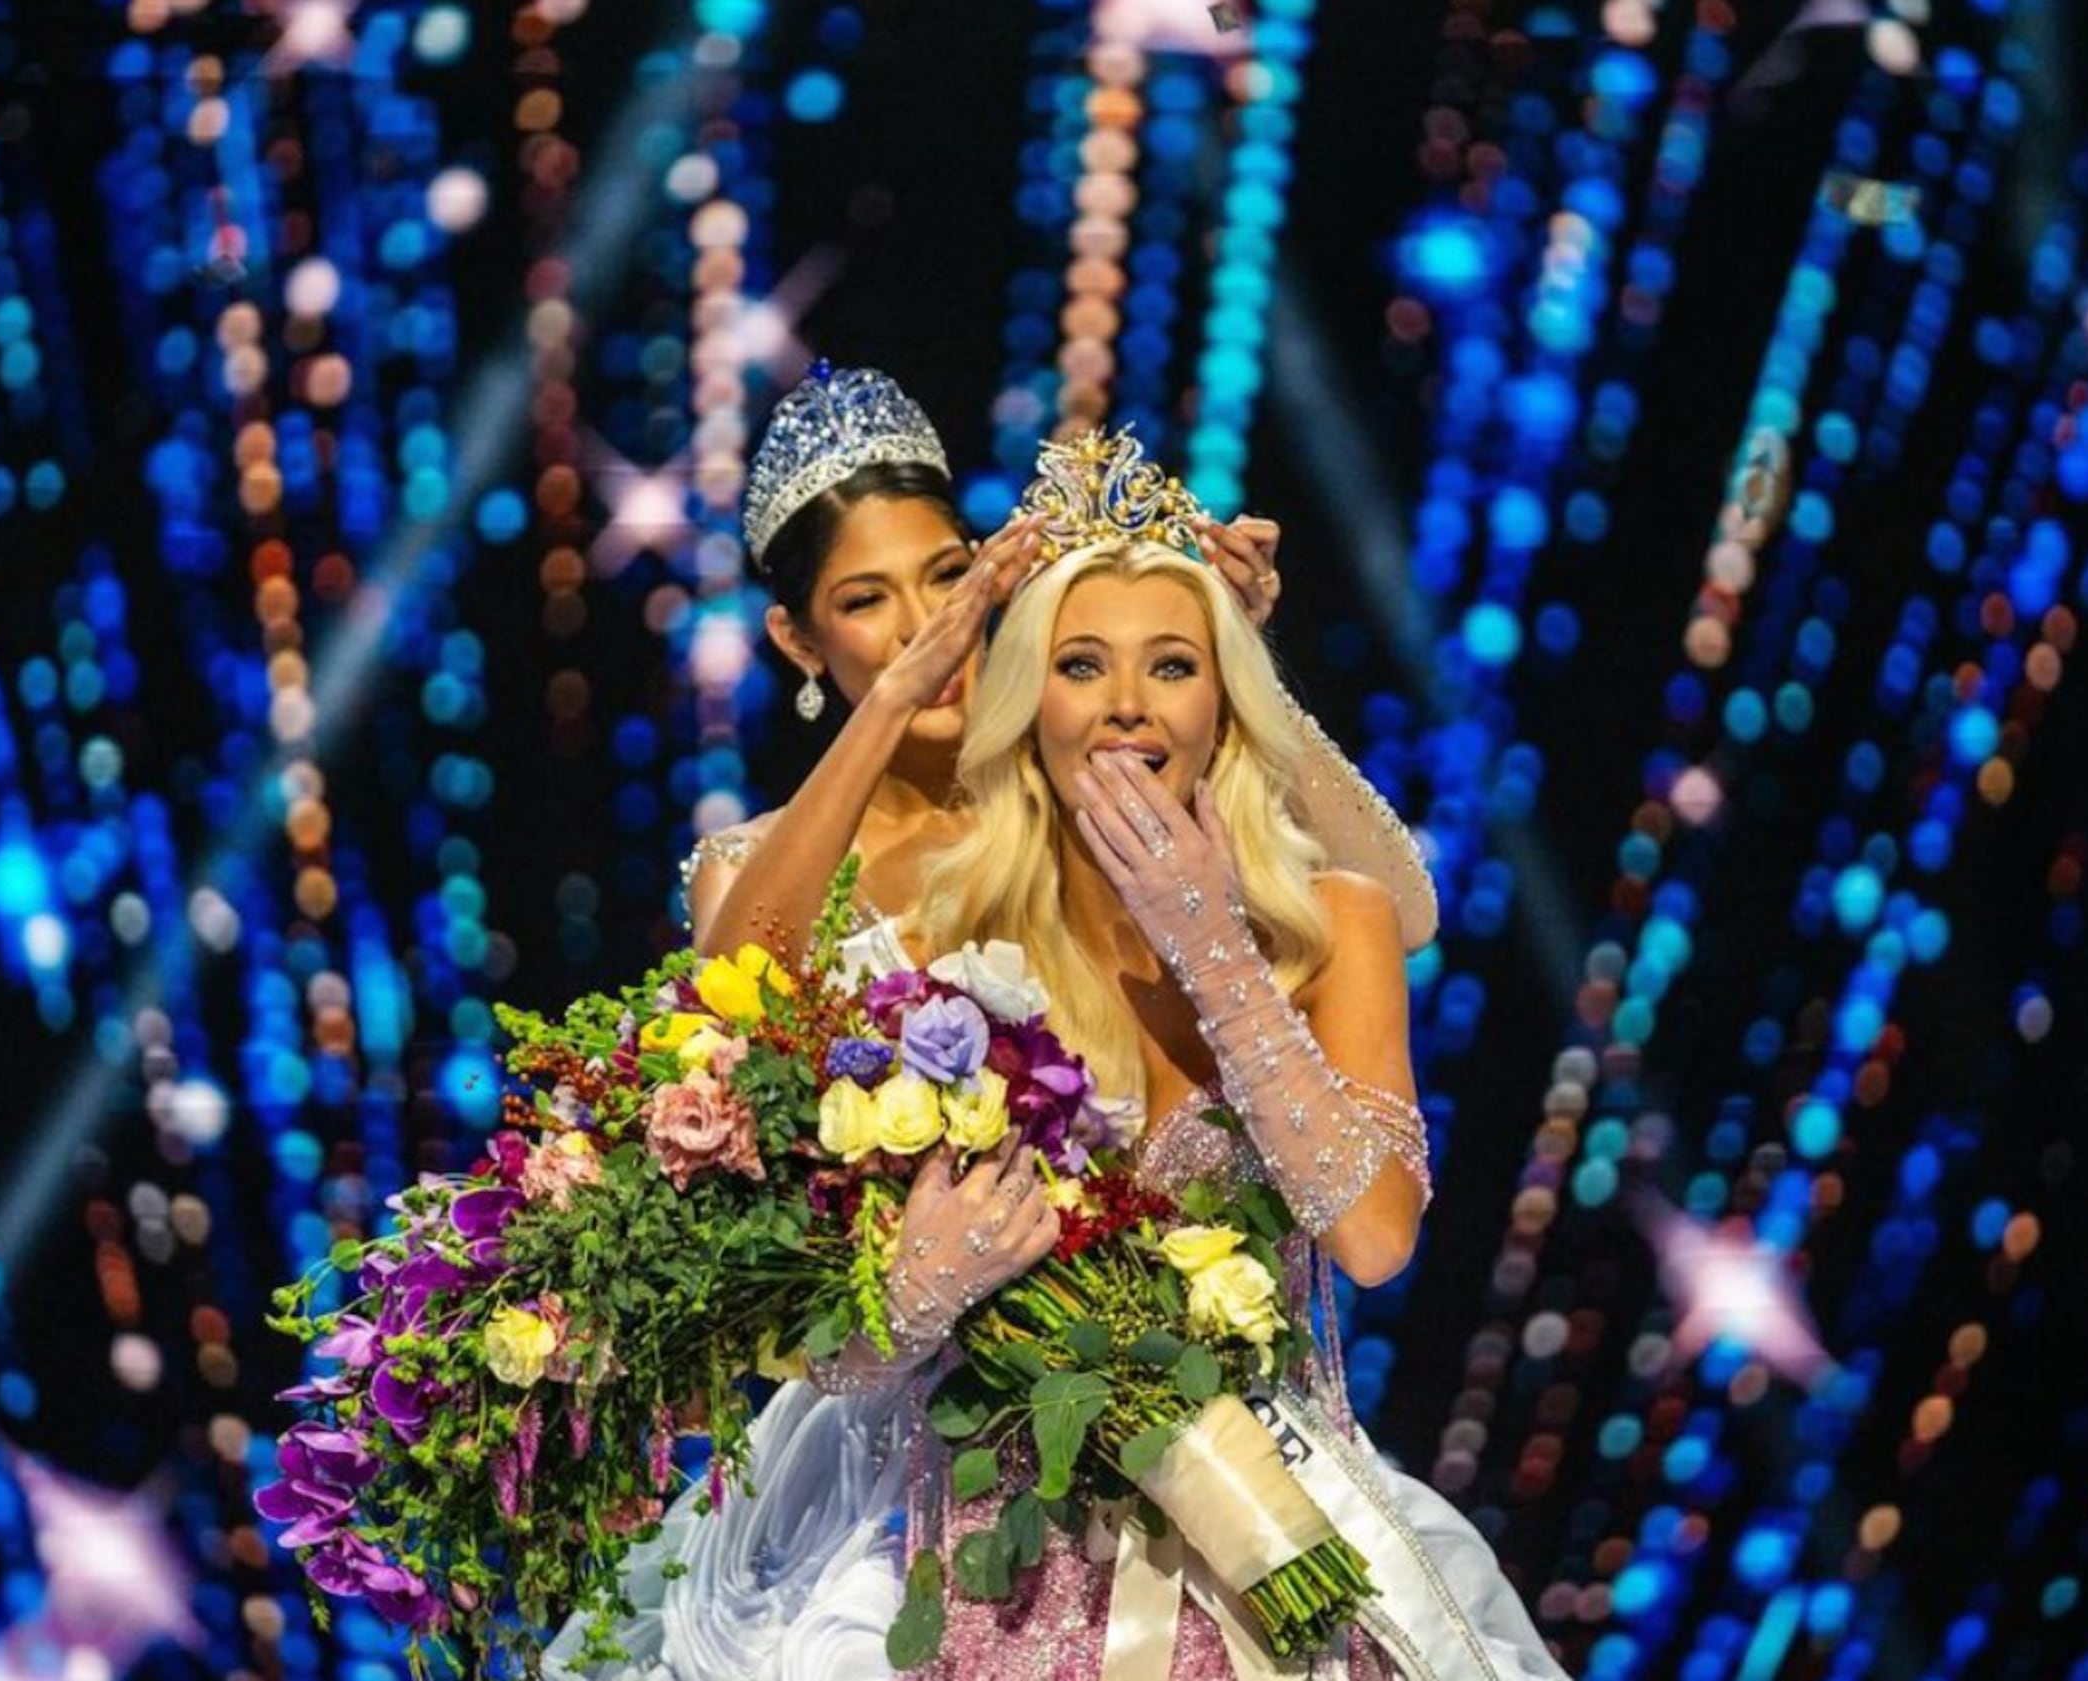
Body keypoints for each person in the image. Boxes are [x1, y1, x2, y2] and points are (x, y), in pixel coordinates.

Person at [549, 437, 1566, 1680]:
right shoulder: (938, 948)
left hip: (1266, 1507)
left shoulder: (1325, 918)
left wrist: (1212, 946)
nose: (1129, 702)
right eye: (1082, 664)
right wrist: (915, 1291)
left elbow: (1373, 1238)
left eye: (1174, 667)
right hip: (991, 1546)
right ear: (1032, 697)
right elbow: (830, 1309)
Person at [679, 362, 1437, 963]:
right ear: (796, 639)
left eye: (947, 577)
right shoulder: (747, 864)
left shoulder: (1088, 786)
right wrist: (894, 698)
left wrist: (1244, 661)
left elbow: (1401, 914)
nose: (928, 626)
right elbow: (724, 1008)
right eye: (865, 601)